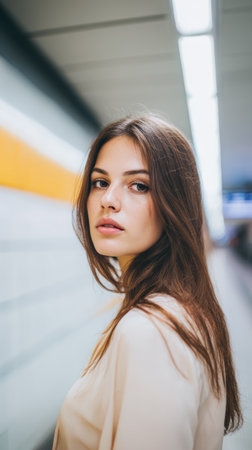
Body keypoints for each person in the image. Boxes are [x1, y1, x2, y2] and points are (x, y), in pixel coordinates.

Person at [52, 115, 243, 450]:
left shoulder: (152, 331)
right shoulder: (183, 312)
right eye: (100, 182)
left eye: (138, 185)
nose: (108, 199)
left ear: (175, 205)